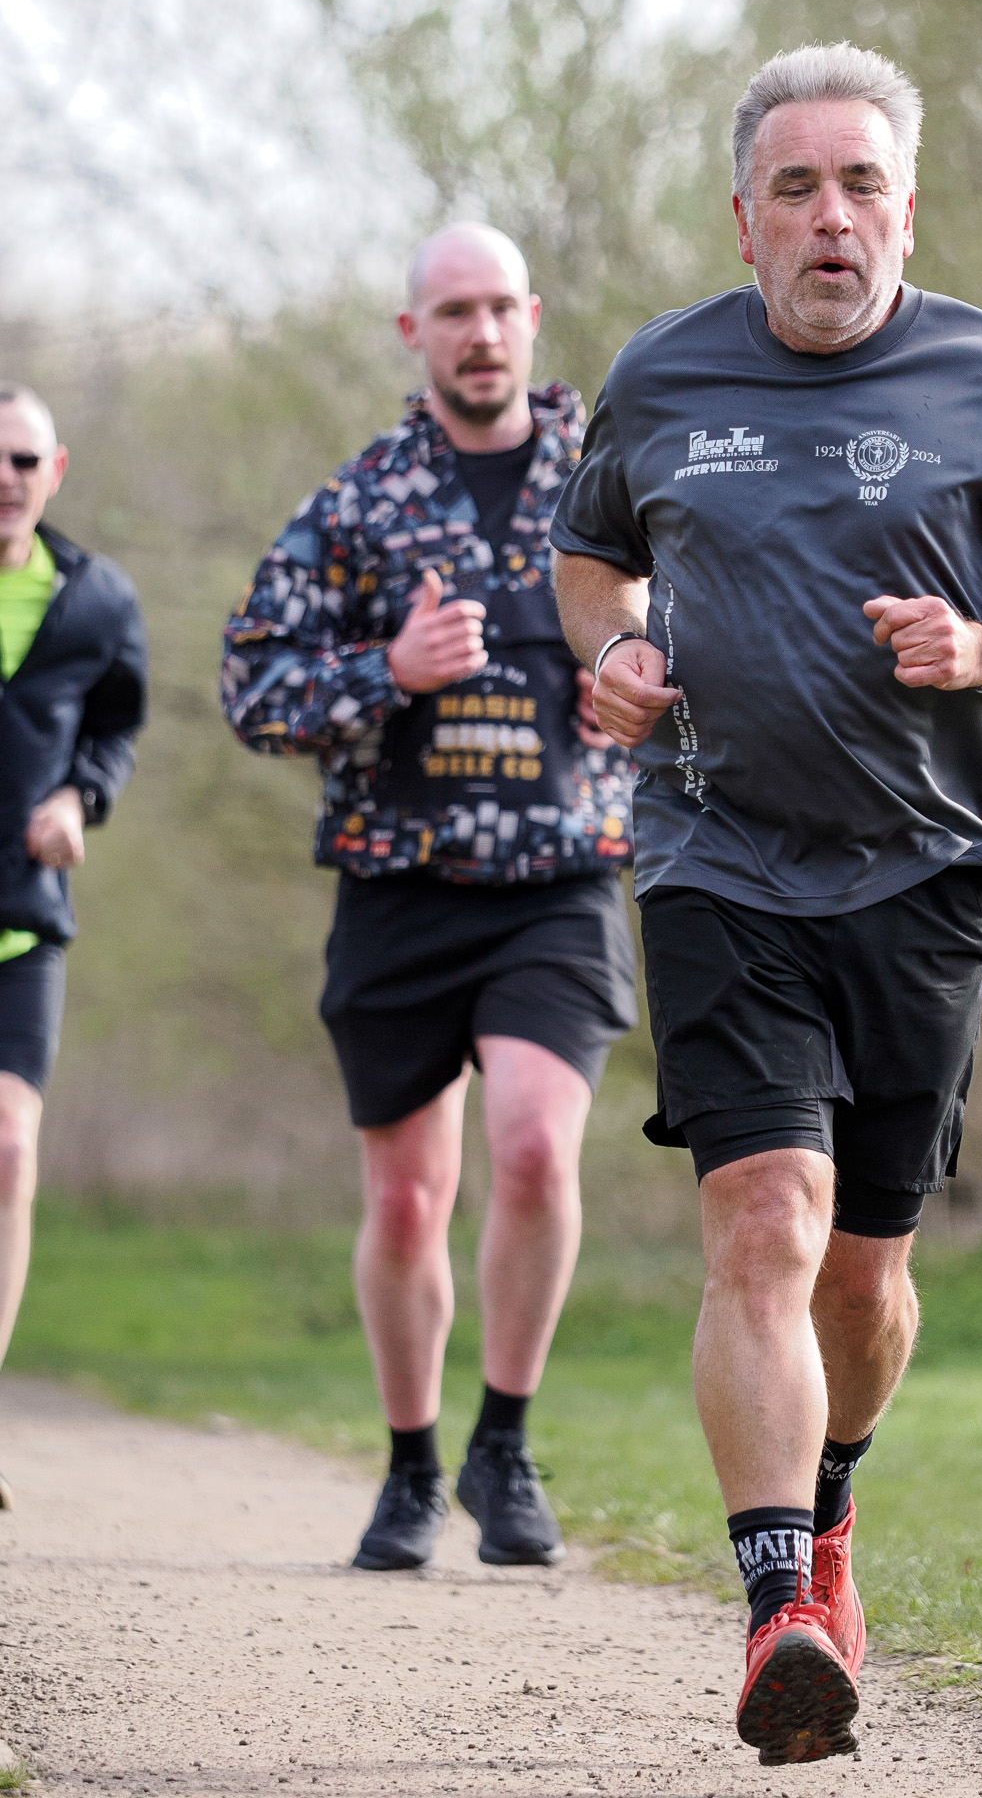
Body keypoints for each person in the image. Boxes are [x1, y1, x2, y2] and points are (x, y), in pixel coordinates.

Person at [551, 43, 982, 1763]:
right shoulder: (659, 376)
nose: (831, 217)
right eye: (796, 188)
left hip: (922, 869)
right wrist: (617, 652)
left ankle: (833, 1513)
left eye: (860, 183)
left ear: (906, 201)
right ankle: (775, 1613)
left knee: (864, 1277)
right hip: (714, 855)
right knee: (762, 1218)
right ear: (745, 218)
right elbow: (590, 561)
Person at [221, 227, 637, 1573]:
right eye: (452, 310)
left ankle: (503, 1447)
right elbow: (252, 687)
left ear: (534, 316)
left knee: (532, 1148)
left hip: (559, 882)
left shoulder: (609, 485)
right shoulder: (356, 505)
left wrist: (638, 693)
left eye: (501, 306)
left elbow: (710, 665)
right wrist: (386, 670)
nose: (482, 332)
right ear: (414, 332)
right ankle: (409, 1469)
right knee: (406, 1202)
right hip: (397, 888)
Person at [0, 383, 148, 1511]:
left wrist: (78, 799)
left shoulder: (96, 600)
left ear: (55, 469)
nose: (5, 476)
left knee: (8, 1146)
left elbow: (116, 723)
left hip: (23, 918)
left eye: (21, 459)